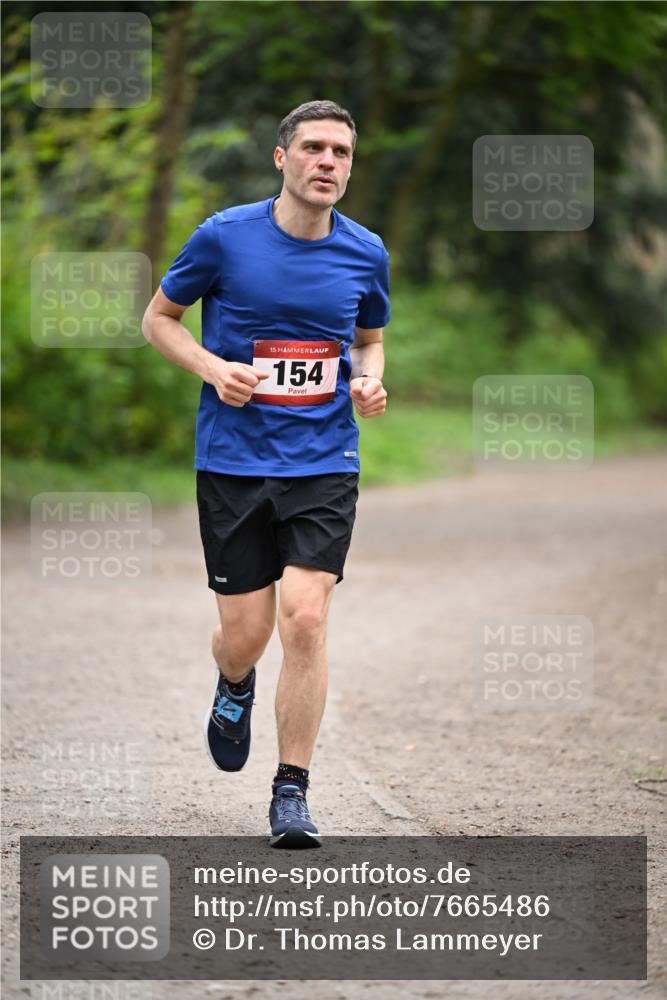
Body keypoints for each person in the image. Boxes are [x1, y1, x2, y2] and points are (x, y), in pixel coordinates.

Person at [141, 99, 390, 848]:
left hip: (323, 460)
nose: (327, 163)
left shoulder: (364, 251)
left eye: (340, 152)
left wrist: (368, 380)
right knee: (244, 635)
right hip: (233, 461)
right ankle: (234, 684)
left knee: (306, 618)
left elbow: (369, 340)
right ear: (281, 159)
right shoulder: (224, 237)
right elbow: (158, 320)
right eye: (313, 148)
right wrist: (214, 367)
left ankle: (291, 792)